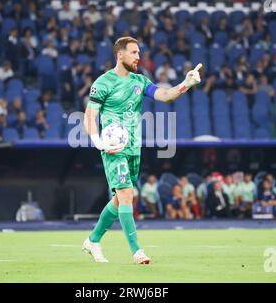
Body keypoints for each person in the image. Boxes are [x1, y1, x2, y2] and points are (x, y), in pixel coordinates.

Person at [82, 36, 203, 264]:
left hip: (134, 149)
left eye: (139, 53)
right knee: (127, 194)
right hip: (113, 148)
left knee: (120, 199)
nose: (139, 57)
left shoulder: (140, 81)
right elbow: (90, 116)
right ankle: (137, 251)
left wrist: (186, 84)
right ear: (120, 55)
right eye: (134, 52)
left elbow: (165, 96)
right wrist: (99, 142)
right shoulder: (103, 83)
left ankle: (93, 240)